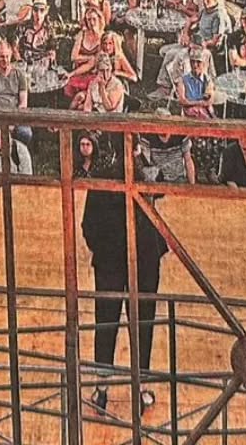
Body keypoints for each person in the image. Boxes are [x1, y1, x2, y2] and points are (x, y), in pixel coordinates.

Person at [77, 132, 166, 415]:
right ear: (136, 148)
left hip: (115, 261)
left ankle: (103, 389)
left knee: (107, 323)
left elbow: (88, 225)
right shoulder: (145, 175)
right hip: (139, 260)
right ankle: (140, 389)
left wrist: (102, 250)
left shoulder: (106, 177)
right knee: (141, 323)